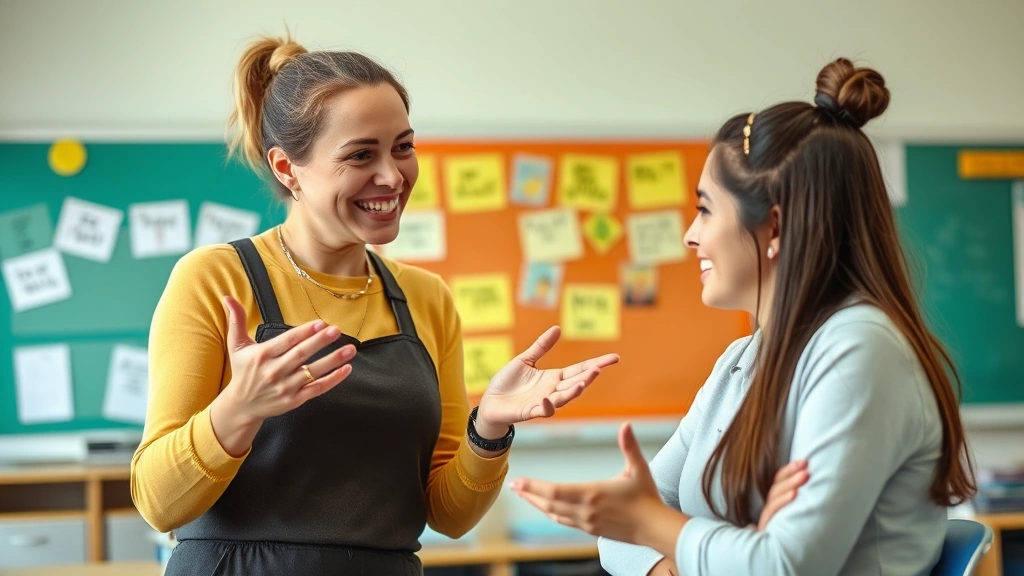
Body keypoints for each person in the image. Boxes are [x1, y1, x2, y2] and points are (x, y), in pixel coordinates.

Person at [130, 33, 619, 576]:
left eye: (403, 147)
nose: (393, 175)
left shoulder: (425, 298)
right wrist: (237, 410)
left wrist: (492, 428)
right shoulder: (216, 277)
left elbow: (449, 516)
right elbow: (157, 501)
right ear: (288, 168)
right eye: (362, 154)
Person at [510, 57, 977, 575]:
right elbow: (613, 543)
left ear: (773, 229)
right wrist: (723, 546)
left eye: (706, 209)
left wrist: (652, 525)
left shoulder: (859, 349)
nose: (691, 235)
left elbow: (782, 564)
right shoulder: (743, 361)